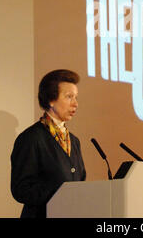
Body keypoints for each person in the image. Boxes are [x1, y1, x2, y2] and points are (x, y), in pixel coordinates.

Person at [10, 69, 86, 218]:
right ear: (51, 100)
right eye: (69, 97)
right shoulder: (31, 138)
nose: (75, 104)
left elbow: (80, 180)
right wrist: (59, 193)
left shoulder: (74, 141)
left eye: (76, 97)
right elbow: (21, 189)